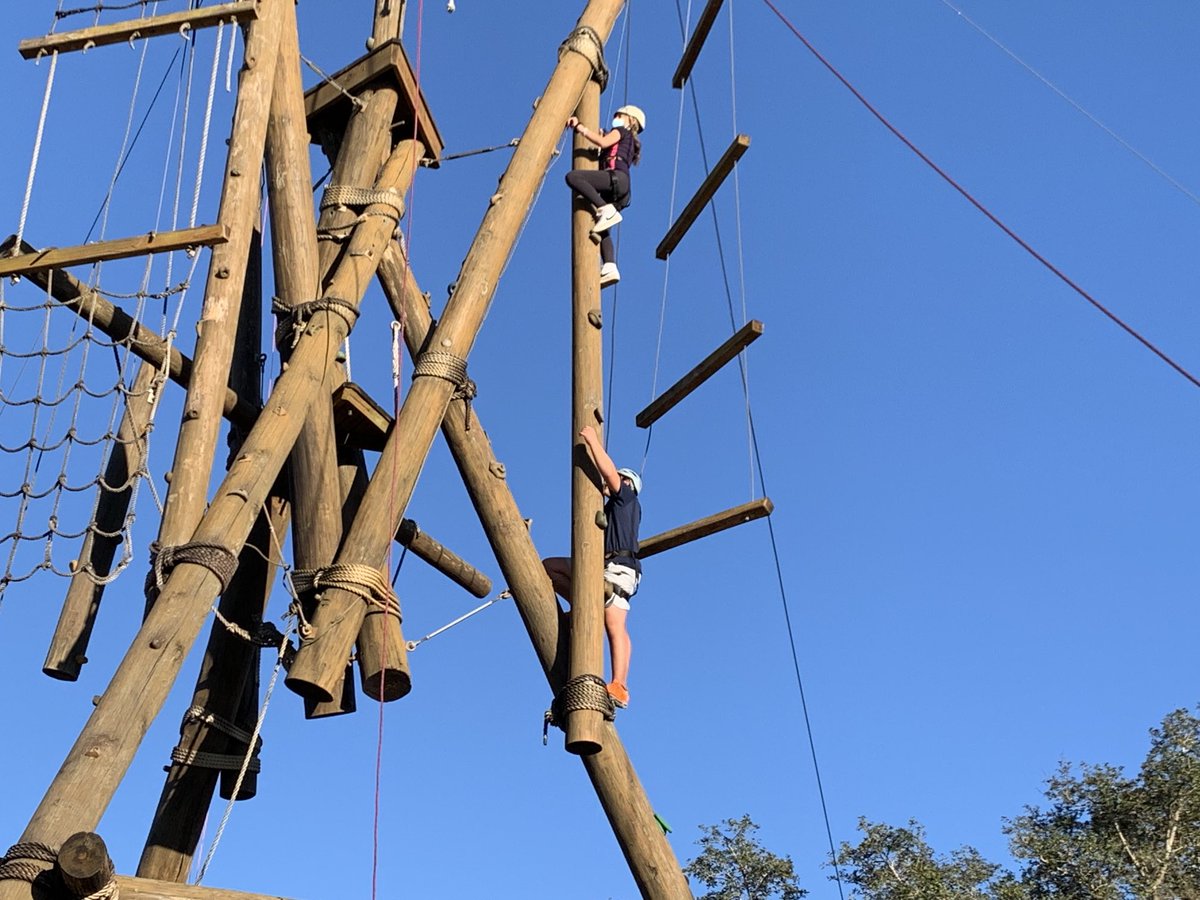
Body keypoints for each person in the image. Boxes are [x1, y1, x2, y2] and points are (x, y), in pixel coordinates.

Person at [543, 425, 642, 709]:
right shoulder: (616, 511)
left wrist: (592, 441)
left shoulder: (626, 499)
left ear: (628, 483)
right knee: (549, 568)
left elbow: (610, 474)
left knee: (615, 626)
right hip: (603, 567)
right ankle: (583, 607)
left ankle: (619, 684)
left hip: (619, 568)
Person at [564, 104, 646, 289]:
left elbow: (603, 143)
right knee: (601, 226)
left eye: (619, 114)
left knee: (574, 176)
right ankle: (610, 265)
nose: (615, 117)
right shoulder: (628, 142)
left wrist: (580, 128)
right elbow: (607, 148)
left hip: (616, 179)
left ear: (630, 120)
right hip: (621, 187)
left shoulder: (621, 131)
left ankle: (604, 208)